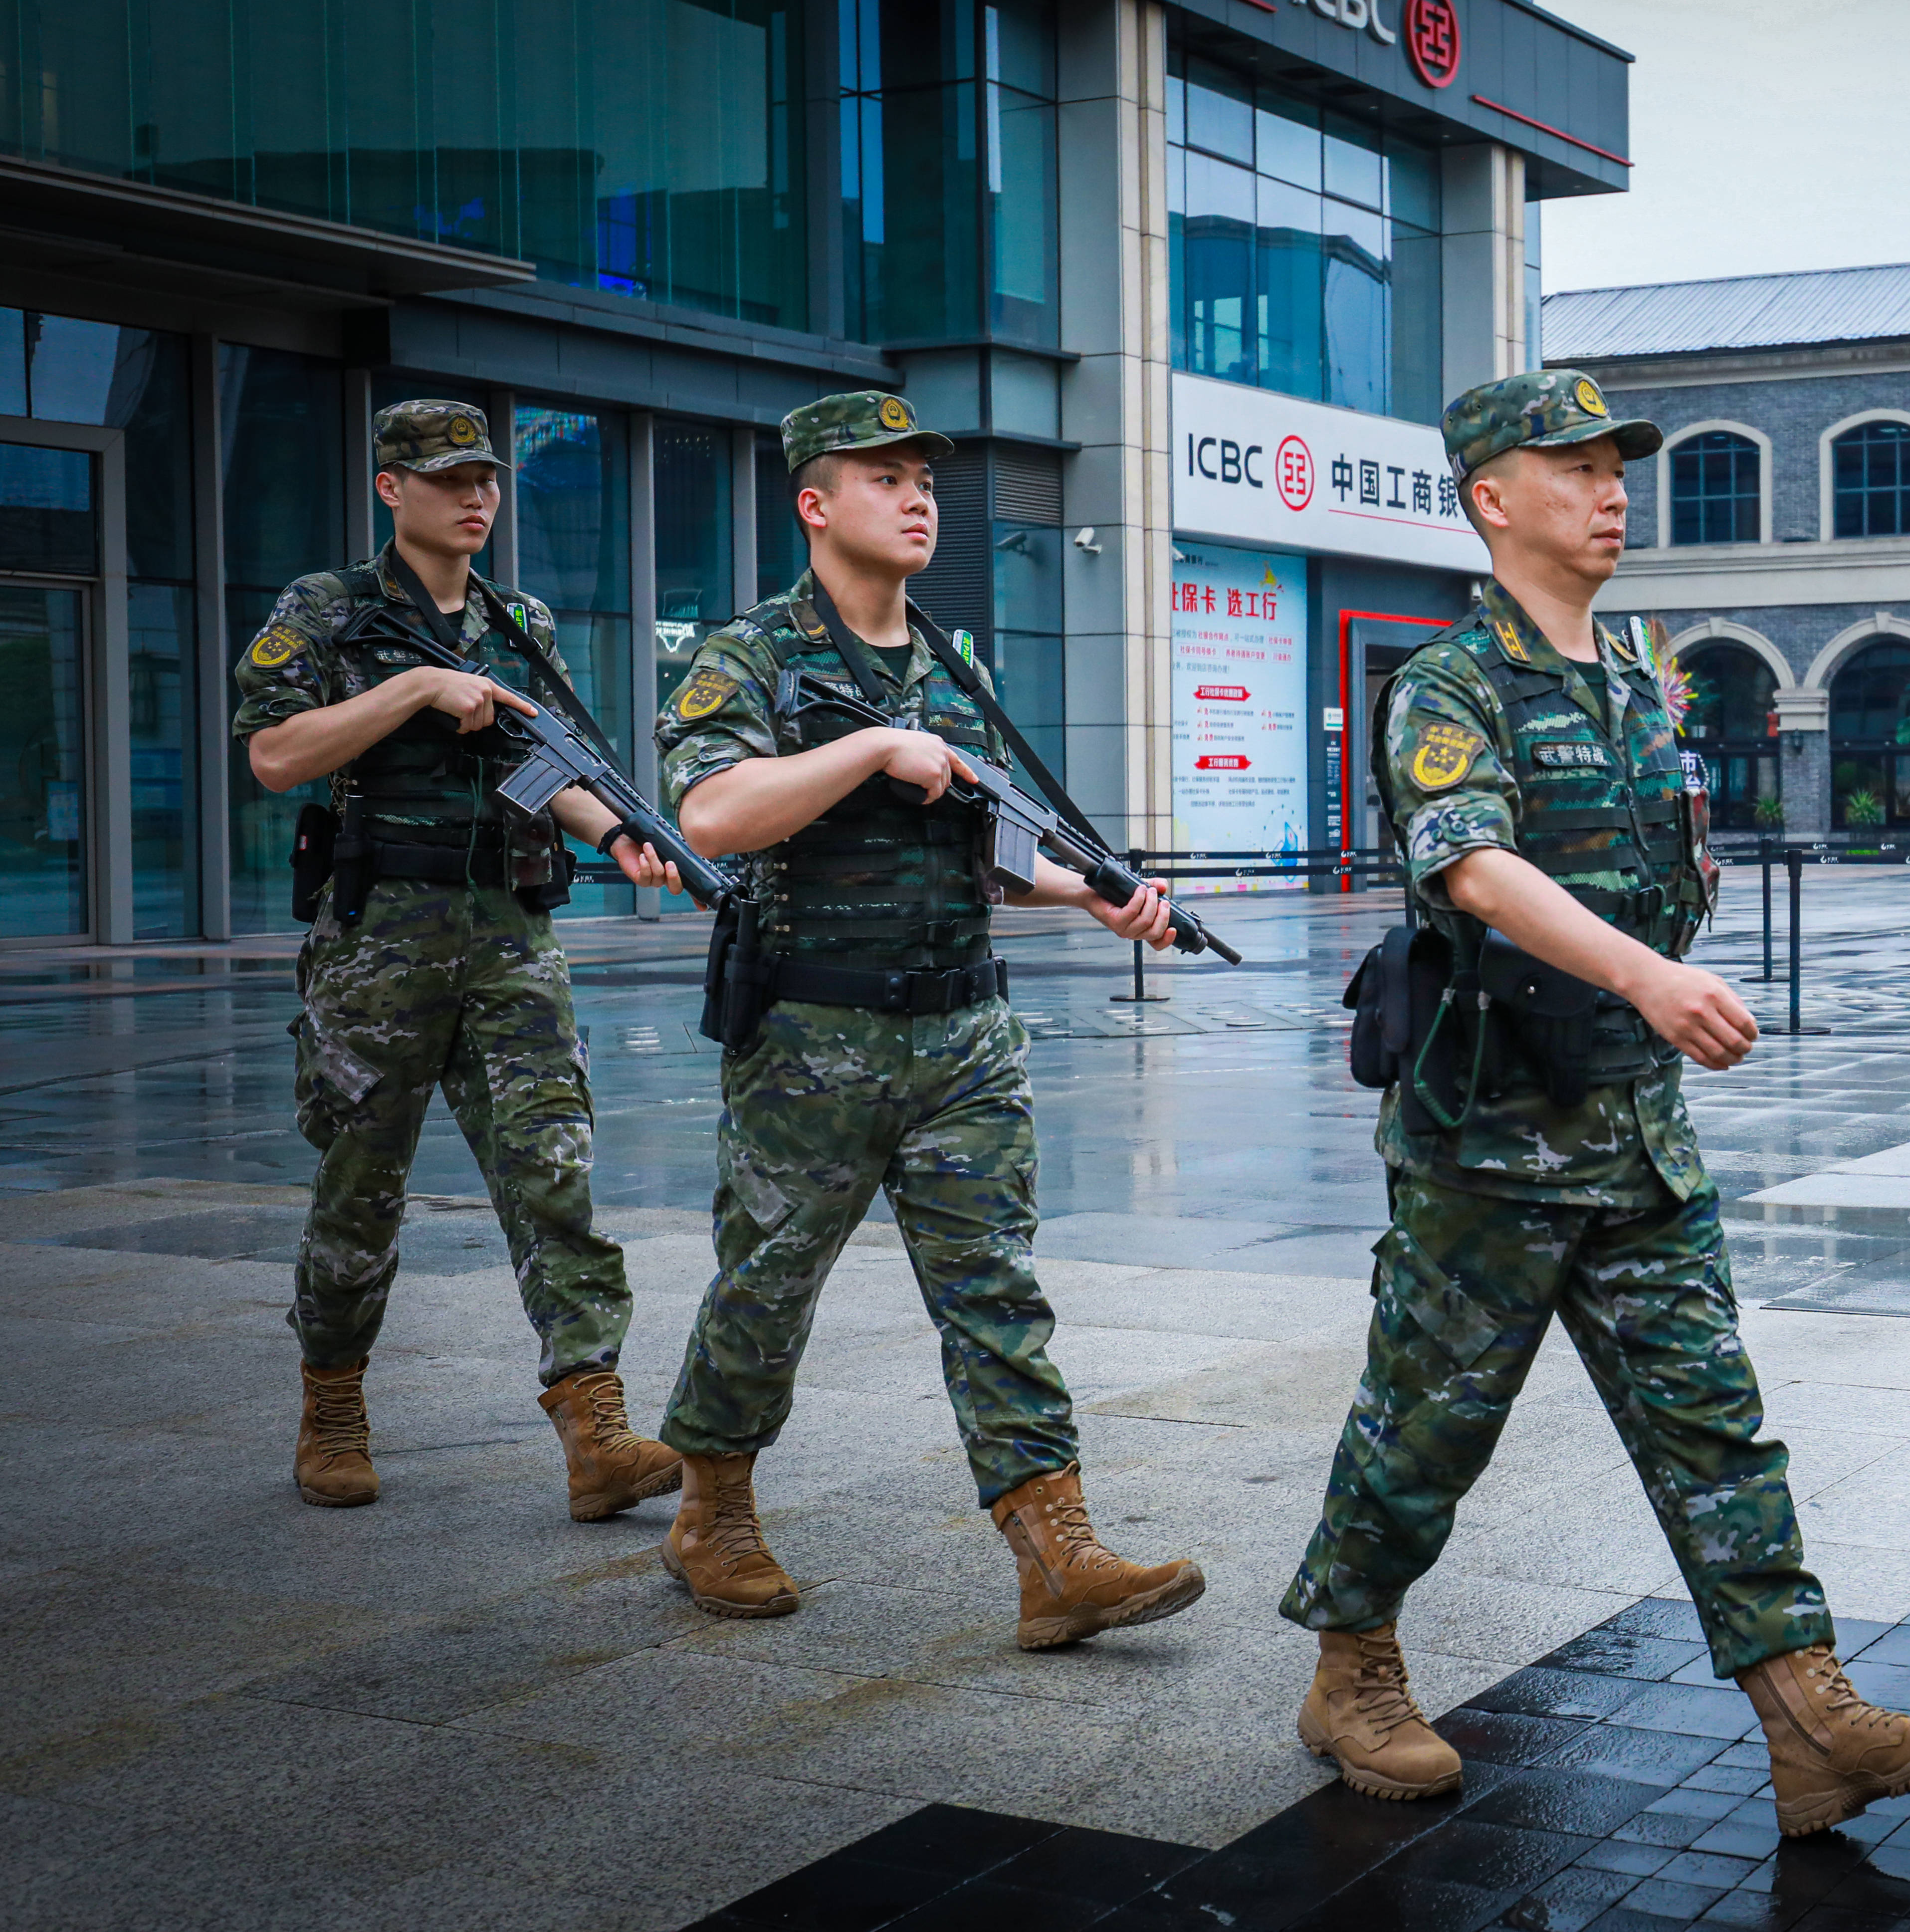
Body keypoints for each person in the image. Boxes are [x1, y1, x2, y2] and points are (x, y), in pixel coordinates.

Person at [1279, 371, 1910, 1835]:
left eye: (1617, 466)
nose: (1611, 489)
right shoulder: (1446, 682)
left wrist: (1674, 920)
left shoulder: (1628, 673)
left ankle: (1812, 1723)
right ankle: (1350, 1668)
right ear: (1490, 496)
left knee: (1712, 1425)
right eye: (1574, 466)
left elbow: (1658, 856)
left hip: (1632, 1131)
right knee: (1425, 1431)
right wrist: (1644, 973)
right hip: (1487, 1139)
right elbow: (1470, 864)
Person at [651, 390, 1203, 1645]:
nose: (917, 500)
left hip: (963, 1035)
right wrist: (869, 752)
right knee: (769, 1286)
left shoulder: (956, 668)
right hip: (809, 1038)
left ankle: (1055, 1551)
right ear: (814, 502)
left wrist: (1098, 897)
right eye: (884, 477)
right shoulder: (746, 655)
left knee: (995, 1288)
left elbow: (995, 845)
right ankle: (712, 1511)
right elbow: (714, 818)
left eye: (926, 482)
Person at [236, 399, 690, 1519]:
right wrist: (413, 690)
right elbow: (275, 756)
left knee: (555, 1178)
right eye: (449, 481)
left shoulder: (515, 617)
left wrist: (619, 832)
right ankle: (332, 1407)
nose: (477, 497)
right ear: (392, 489)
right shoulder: (328, 611)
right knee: (362, 1187)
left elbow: (544, 764)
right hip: (378, 935)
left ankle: (596, 1430)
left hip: (511, 933)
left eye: (486, 479)